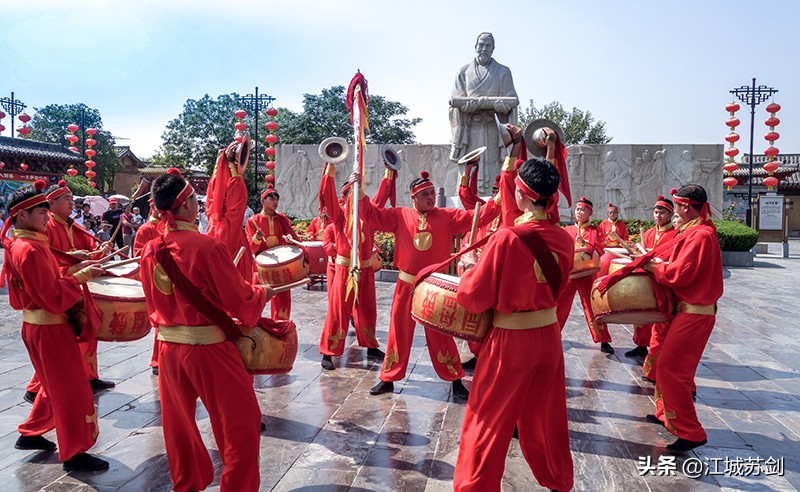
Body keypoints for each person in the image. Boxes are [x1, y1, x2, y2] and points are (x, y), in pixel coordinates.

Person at [139, 172, 272, 491]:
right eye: (193, 200)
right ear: (186, 204)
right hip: (208, 349)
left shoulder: (149, 249)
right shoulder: (207, 246)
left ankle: (188, 483)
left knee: (179, 426)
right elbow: (240, 299)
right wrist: (262, 294)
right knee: (240, 424)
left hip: (169, 351)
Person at [453, 157, 574, 492]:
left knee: (487, 419)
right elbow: (560, 287)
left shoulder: (506, 238)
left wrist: (468, 268)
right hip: (549, 337)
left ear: (521, 193)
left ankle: (475, 487)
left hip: (511, 340)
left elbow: (473, 297)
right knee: (545, 416)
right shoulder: (564, 238)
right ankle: (558, 479)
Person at [1, 180, 109, 471]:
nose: (47, 218)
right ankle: (74, 453)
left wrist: (73, 267)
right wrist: (80, 277)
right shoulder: (29, 249)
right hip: (49, 327)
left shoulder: (27, 243)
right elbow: (52, 296)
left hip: (40, 326)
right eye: (41, 212)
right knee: (72, 390)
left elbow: (45, 280)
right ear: (21, 215)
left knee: (55, 385)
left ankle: (31, 432)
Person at [364, 170, 499, 397]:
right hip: (406, 285)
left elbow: (480, 215)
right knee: (399, 331)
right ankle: (389, 378)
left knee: (441, 333)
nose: (430, 197)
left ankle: (455, 379)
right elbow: (372, 215)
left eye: (432, 193)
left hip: (434, 286)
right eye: (425, 194)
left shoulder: (447, 217)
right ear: (413, 197)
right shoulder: (399, 215)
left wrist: (500, 196)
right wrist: (359, 194)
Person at [642, 184, 722, 453]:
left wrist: (653, 266)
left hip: (694, 313)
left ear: (686, 207)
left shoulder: (701, 236)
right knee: (668, 367)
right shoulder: (695, 231)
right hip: (687, 311)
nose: (674, 211)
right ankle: (667, 415)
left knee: (671, 369)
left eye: (676, 206)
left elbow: (679, 274)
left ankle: (691, 431)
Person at [30, 181, 115, 397]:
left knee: (88, 331)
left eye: (71, 199)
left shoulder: (74, 226)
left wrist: (101, 250)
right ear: (51, 203)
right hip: (59, 290)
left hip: (78, 287)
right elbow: (46, 265)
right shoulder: (46, 228)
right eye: (66, 199)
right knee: (60, 346)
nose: (71, 203)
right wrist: (74, 263)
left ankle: (89, 376)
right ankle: (36, 388)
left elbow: (91, 251)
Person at [316, 162, 394, 370]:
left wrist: (389, 173)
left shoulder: (368, 213)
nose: (354, 195)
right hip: (345, 269)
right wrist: (330, 170)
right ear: (344, 197)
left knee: (368, 310)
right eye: (350, 192)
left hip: (366, 268)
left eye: (357, 191)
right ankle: (328, 351)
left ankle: (370, 345)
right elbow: (328, 197)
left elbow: (381, 198)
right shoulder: (339, 216)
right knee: (338, 311)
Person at [449, 32, 519, 193]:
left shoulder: (503, 71)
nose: (484, 49)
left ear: (493, 48)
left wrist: (501, 107)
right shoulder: (463, 71)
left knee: (495, 165)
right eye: (480, 45)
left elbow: (513, 100)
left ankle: (497, 196)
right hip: (470, 129)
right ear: (475, 47)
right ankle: (466, 195)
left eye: (488, 46)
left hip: (495, 129)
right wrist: (467, 107)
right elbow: (454, 101)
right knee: (470, 165)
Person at [557, 197, 614, 353]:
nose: (579, 212)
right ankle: (553, 335)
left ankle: (603, 339)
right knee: (560, 304)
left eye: (583, 210)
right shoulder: (567, 230)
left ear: (590, 212)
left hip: (588, 274)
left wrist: (586, 246)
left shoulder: (596, 231)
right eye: (577, 209)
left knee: (593, 306)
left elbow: (600, 250)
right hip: (570, 273)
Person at [627, 196, 679, 370]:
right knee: (641, 314)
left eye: (662, 212)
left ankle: (656, 355)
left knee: (659, 318)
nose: (658, 215)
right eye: (656, 212)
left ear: (670, 214)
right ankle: (641, 344)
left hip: (662, 280)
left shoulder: (675, 235)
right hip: (645, 280)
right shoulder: (649, 233)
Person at [245, 185, 300, 320]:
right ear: (263, 200)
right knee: (257, 298)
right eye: (272, 199)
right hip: (261, 267)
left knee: (282, 299)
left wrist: (290, 240)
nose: (275, 202)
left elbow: (294, 240)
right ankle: (252, 324)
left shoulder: (282, 219)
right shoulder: (253, 221)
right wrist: (257, 238)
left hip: (280, 266)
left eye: (277, 199)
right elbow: (251, 248)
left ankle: (281, 325)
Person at [133, 202, 163, 376]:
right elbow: (138, 254)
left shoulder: (170, 226)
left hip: (171, 278)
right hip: (154, 278)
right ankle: (158, 359)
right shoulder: (146, 229)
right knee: (160, 317)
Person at [597, 202, 629, 275]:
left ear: (617, 213)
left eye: (614, 212)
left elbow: (625, 237)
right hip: (607, 249)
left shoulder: (621, 224)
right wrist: (607, 239)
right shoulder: (603, 223)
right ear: (608, 213)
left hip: (619, 249)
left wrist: (620, 241)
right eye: (611, 212)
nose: (612, 214)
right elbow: (599, 237)